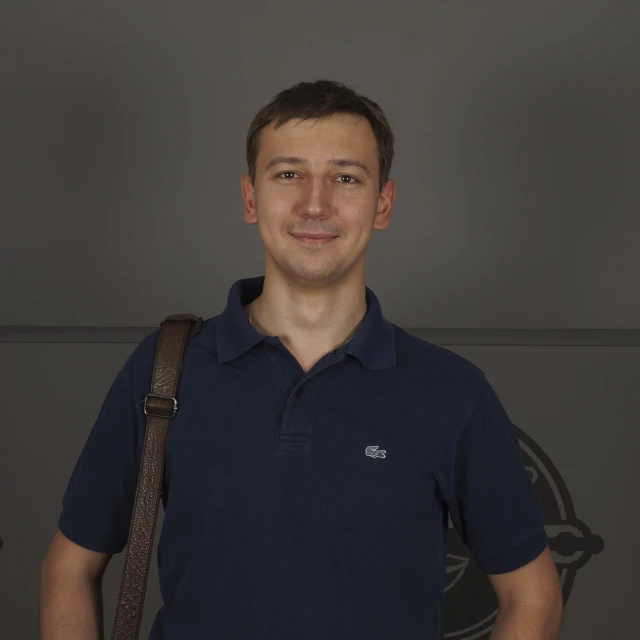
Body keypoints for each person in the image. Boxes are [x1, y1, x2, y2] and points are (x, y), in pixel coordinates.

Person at [40, 79, 563, 639]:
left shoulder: (452, 391)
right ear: (250, 198)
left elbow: (532, 597)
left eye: (346, 177)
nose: (316, 203)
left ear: (382, 203)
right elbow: (70, 566)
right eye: (288, 174)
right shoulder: (166, 369)